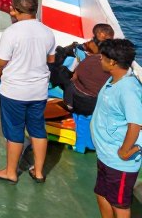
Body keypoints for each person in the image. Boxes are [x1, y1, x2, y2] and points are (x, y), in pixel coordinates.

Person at [0, 0, 58, 185]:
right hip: (39, 92)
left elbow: (0, 62)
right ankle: (39, 172)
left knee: (14, 131)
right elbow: (51, 59)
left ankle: (11, 172)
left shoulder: (12, 32)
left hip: (14, 92)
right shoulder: (47, 32)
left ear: (15, 10)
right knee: (38, 129)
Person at [90, 39, 142, 217]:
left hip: (118, 162)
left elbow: (136, 123)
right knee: (101, 194)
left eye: (102, 57)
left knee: (119, 204)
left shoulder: (128, 89)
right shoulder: (114, 79)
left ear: (112, 62)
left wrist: (125, 151)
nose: (99, 59)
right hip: (105, 154)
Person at [54, 24, 116, 116]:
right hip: (93, 102)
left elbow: (73, 77)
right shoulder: (111, 61)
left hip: (80, 99)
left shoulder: (86, 59)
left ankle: (69, 105)